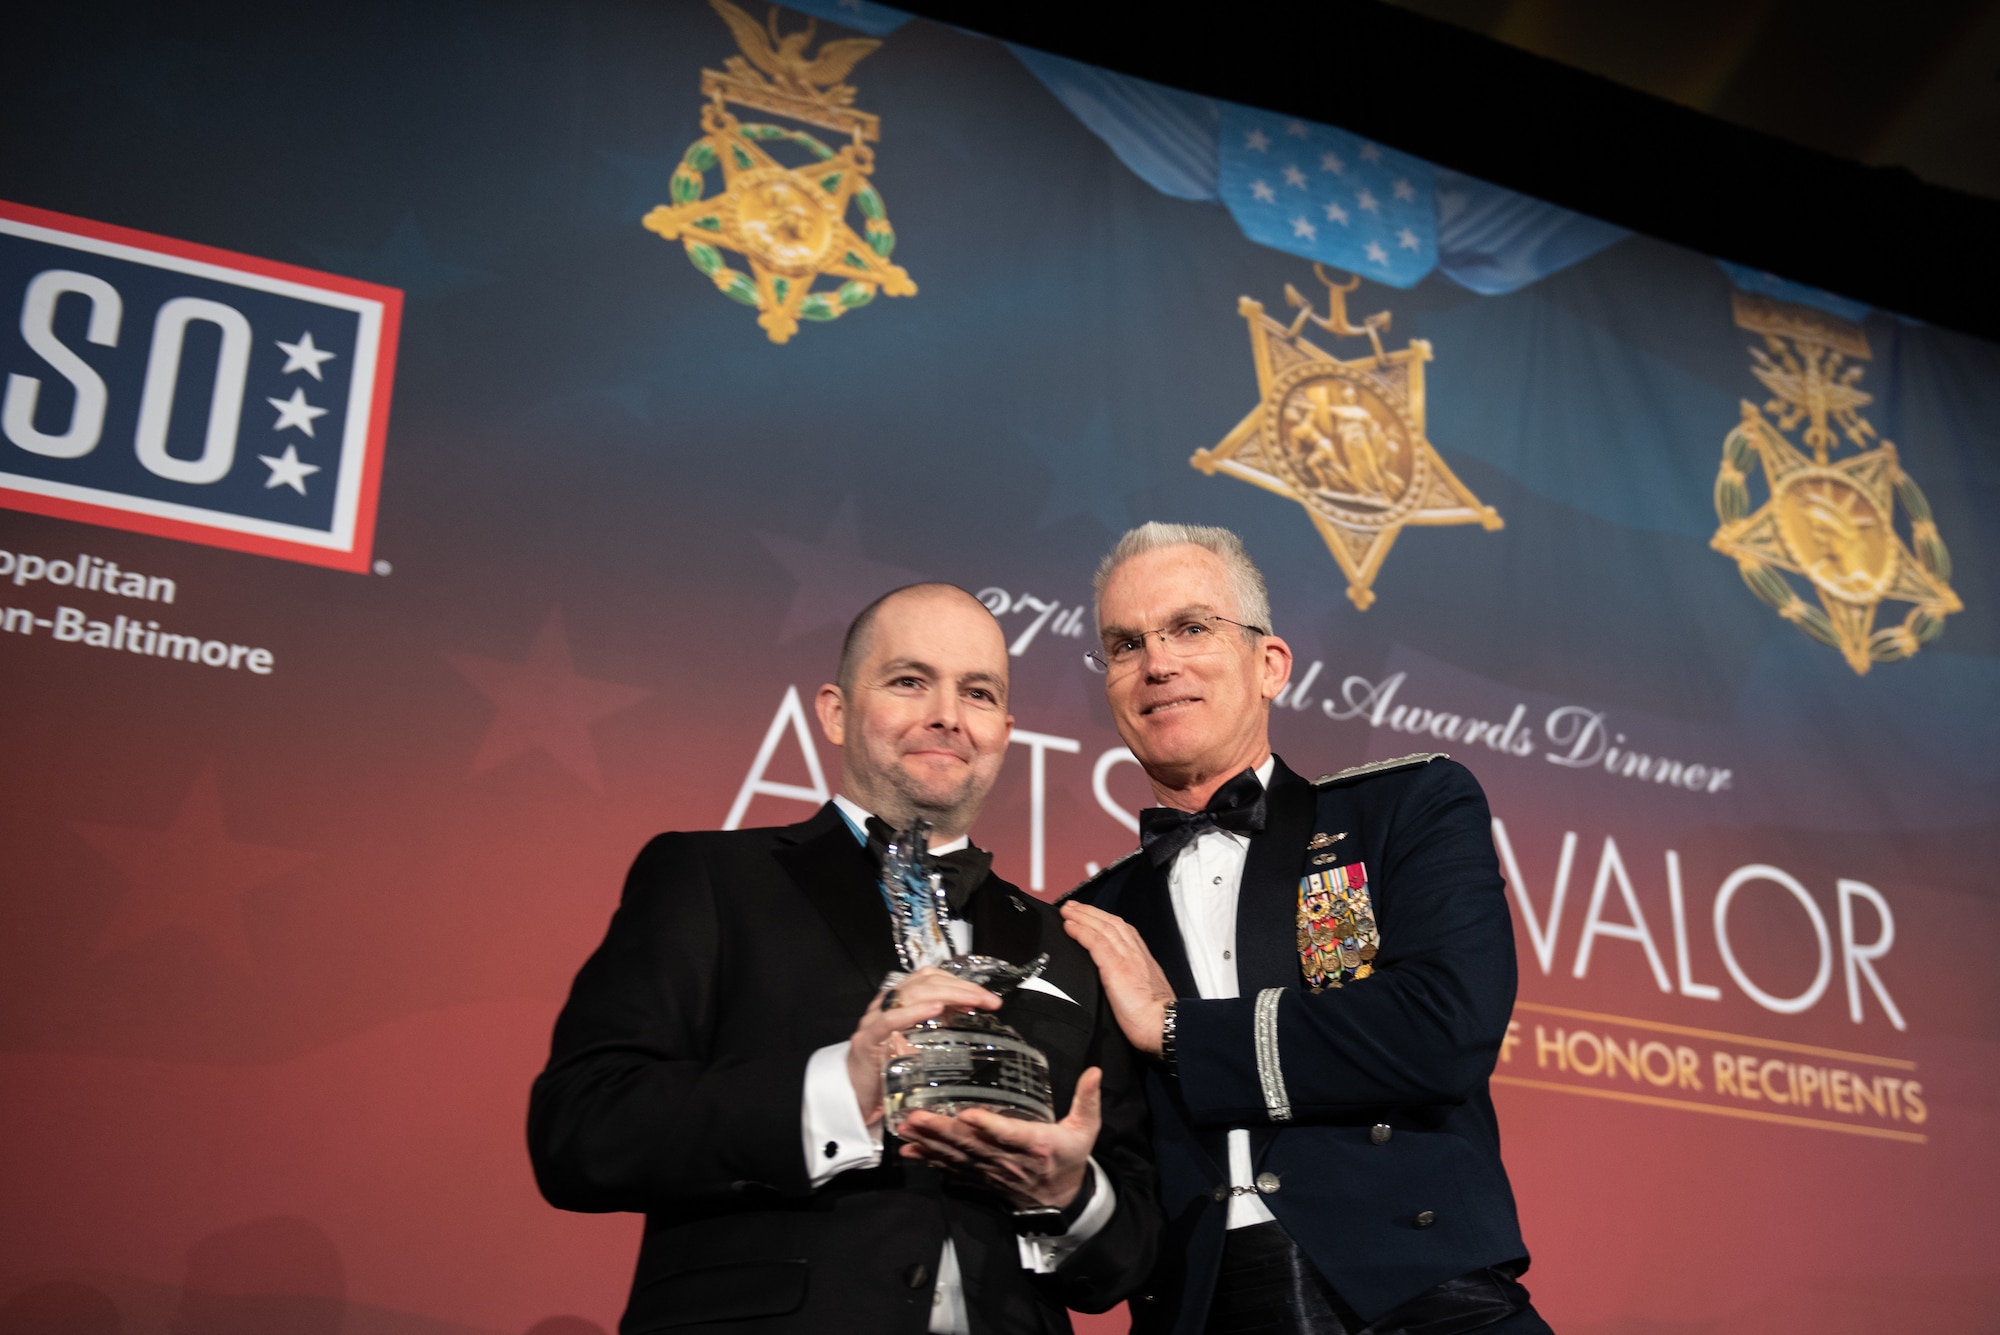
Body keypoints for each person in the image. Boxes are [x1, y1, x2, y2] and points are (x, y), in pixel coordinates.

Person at [529, 583, 1159, 1335]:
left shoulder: (1071, 944)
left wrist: (1067, 1193)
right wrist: (843, 1086)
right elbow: (581, 1129)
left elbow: (1130, 1251)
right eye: (908, 680)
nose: (947, 715)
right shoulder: (711, 879)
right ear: (834, 710)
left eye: (978, 692)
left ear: (1004, 729)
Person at [1059, 523, 1549, 1335]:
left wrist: (1178, 1029)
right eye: (1124, 644)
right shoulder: (1095, 917)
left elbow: (1439, 1027)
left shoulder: (1407, 807)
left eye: (1190, 627)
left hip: (1421, 1292)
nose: (1158, 663)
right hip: (1201, 1306)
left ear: (1269, 664)